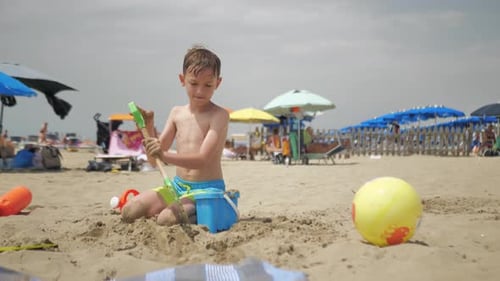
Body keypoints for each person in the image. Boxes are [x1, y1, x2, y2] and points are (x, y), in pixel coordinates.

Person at [121, 45, 228, 226]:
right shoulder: (176, 113)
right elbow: (155, 161)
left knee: (166, 219)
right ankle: (175, 210)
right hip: (177, 187)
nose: (200, 91)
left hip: (205, 191)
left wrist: (164, 155)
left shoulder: (219, 115)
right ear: (182, 79)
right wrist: (147, 125)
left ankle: (202, 212)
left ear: (218, 83)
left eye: (208, 85)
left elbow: (202, 159)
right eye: (194, 83)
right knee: (130, 210)